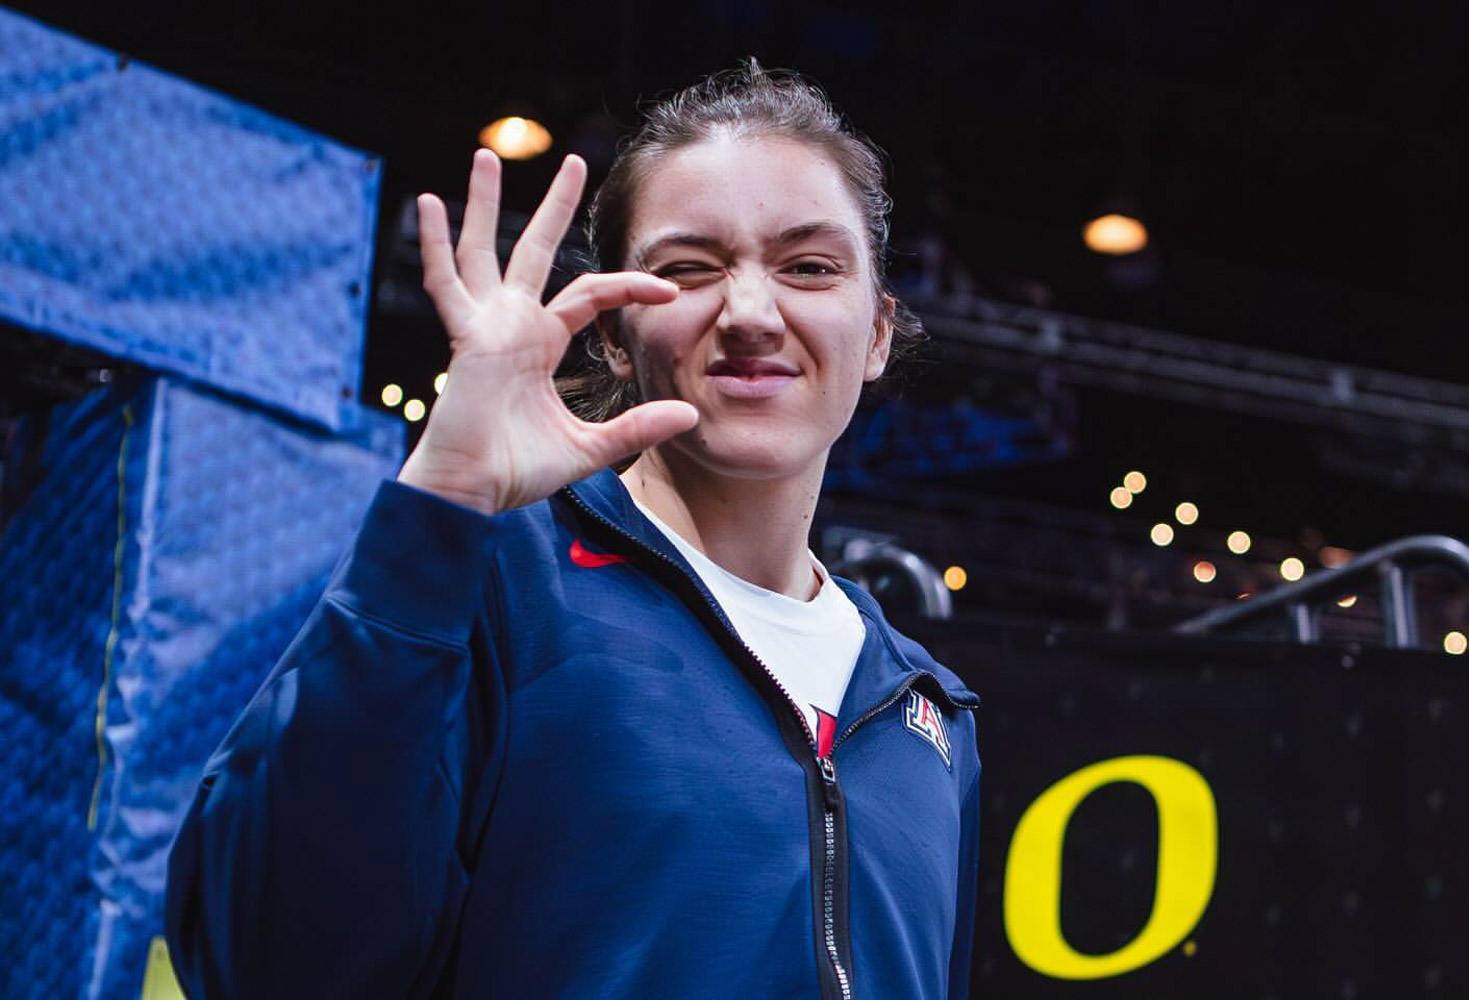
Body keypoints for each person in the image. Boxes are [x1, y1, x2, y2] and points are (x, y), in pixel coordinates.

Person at [166, 61, 981, 1000]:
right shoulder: (492, 588)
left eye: (809, 267)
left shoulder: (931, 712)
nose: (752, 314)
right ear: (612, 335)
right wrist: (439, 503)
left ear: (876, 332)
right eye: (688, 269)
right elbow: (262, 959)